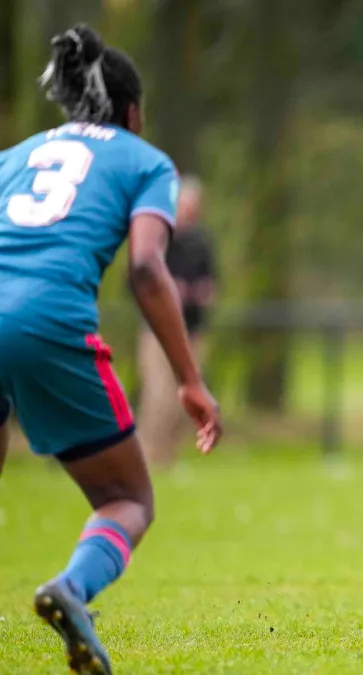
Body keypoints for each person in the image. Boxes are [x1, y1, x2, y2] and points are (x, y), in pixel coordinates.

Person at [0, 25, 222, 674]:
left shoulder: (14, 156)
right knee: (128, 499)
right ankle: (72, 588)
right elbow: (148, 268)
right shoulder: (143, 161)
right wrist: (190, 379)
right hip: (45, 321)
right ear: (131, 112)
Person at [136, 174, 217, 467]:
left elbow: (211, 278)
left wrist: (204, 291)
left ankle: (170, 456)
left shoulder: (202, 241)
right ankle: (148, 455)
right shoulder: (158, 236)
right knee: (158, 394)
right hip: (159, 330)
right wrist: (170, 290)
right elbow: (139, 277)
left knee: (186, 398)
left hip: (192, 327)